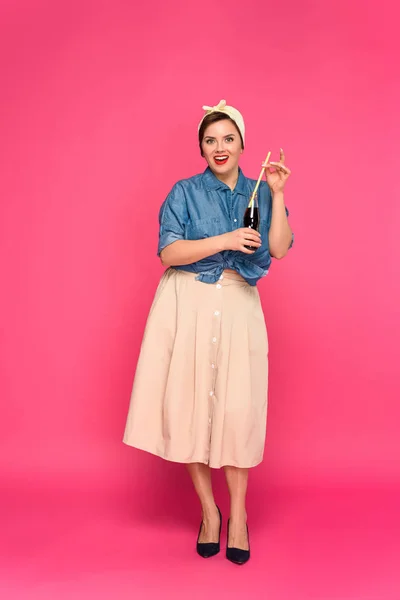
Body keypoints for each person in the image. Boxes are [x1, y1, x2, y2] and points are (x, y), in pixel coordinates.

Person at [123, 99, 293, 565]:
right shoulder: (183, 191)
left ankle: (237, 515)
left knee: (237, 410)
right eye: (210, 140)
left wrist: (276, 194)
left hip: (239, 304)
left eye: (228, 139)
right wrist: (224, 240)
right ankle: (209, 514)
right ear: (201, 146)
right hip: (188, 302)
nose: (219, 147)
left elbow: (278, 249)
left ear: (242, 144)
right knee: (192, 407)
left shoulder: (257, 191)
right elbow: (168, 253)